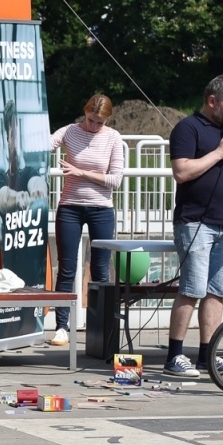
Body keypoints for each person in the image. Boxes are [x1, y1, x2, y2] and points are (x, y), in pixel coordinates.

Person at [166, 74, 223, 378]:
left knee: (217, 290)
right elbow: (181, 171)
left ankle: (208, 354)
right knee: (191, 288)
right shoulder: (187, 128)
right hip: (194, 221)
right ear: (212, 100)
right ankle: (175, 355)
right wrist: (218, 153)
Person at [48, 94, 126, 345]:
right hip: (70, 207)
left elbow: (115, 179)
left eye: (100, 123)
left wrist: (80, 171)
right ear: (85, 113)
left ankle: (100, 326)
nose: (94, 127)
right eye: (91, 120)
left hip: (101, 209)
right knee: (67, 268)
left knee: (101, 270)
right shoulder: (70, 131)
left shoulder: (113, 137)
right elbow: (43, 145)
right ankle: (61, 327)